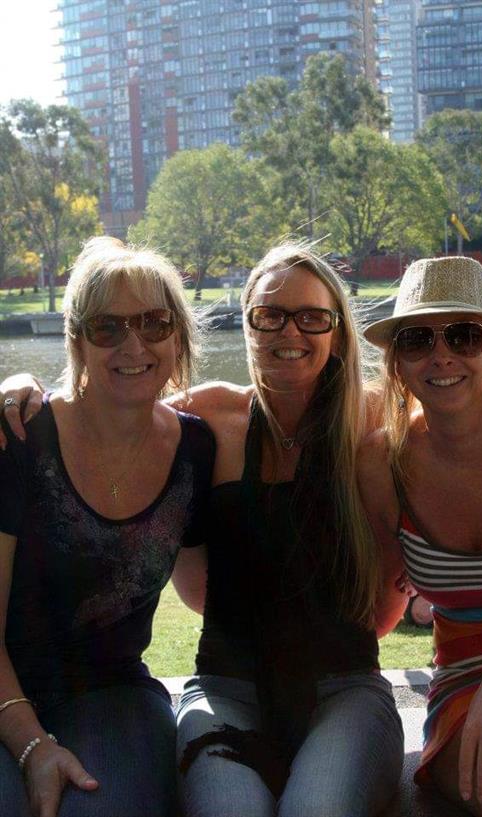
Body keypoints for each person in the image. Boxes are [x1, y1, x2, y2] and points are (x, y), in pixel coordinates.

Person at [1, 243, 407, 817]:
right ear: (245, 324)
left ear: (338, 331)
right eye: (268, 315)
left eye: (312, 316)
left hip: (344, 691)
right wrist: (21, 385)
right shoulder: (211, 421)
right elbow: (115, 399)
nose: (289, 330)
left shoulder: (378, 427)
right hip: (224, 691)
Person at [0, 237, 215, 817]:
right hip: (4, 692)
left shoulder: (195, 447)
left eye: (154, 322)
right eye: (107, 327)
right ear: (76, 339)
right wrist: (32, 745)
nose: (133, 344)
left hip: (113, 695)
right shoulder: (22, 439)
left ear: (178, 335)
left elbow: (202, 593)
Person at [358, 256, 482, 817]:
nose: (442, 356)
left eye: (464, 335)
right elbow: (380, 604)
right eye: (417, 339)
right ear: (397, 363)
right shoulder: (380, 463)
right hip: (464, 685)